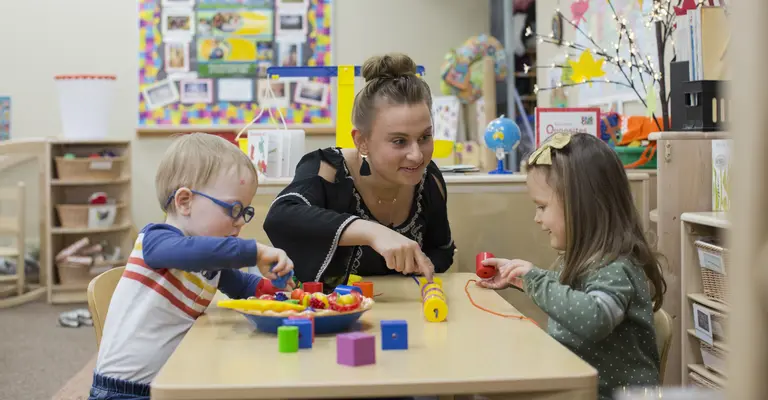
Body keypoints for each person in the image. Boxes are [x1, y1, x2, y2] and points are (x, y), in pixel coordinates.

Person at [89, 133, 295, 400]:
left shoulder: (210, 263)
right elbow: (195, 253)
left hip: (168, 383)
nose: (240, 222)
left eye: (245, 211)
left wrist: (277, 287)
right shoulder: (155, 241)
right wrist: (254, 250)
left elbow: (243, 285)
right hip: (122, 391)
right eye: (233, 209)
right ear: (184, 202)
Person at [477, 133, 667, 400]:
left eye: (542, 207)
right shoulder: (586, 259)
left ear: (583, 206)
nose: (537, 218)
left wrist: (536, 280)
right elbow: (570, 298)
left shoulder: (616, 266)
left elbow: (595, 318)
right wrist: (521, 278)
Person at [263, 53, 455, 290]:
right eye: (399, 141)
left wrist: (418, 263)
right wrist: (372, 232)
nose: (417, 155)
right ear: (362, 141)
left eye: (425, 137)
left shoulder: (430, 180)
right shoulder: (326, 168)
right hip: (328, 317)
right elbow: (280, 217)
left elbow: (442, 251)